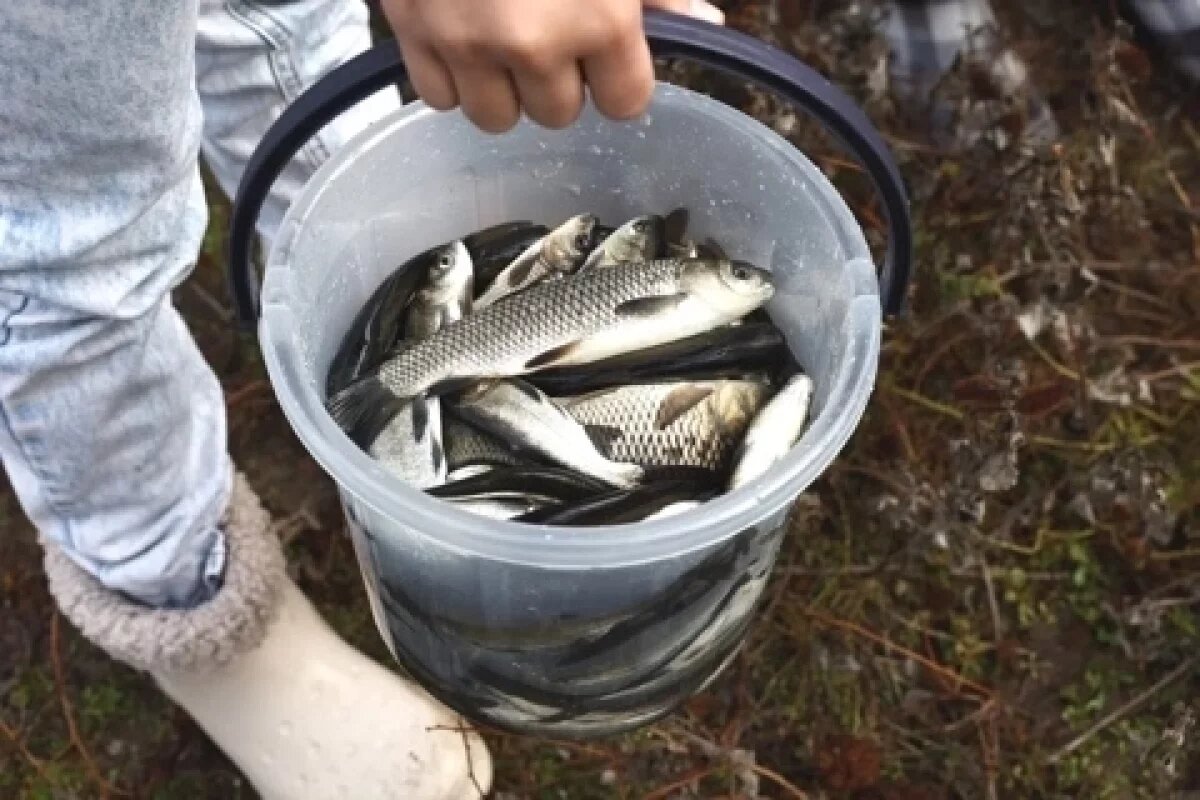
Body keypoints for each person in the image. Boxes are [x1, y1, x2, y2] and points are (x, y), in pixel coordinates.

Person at [0, 1, 1194, 798]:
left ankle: (369, 244)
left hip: (524, 362)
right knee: (66, 245)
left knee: (267, 19)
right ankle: (186, 598)